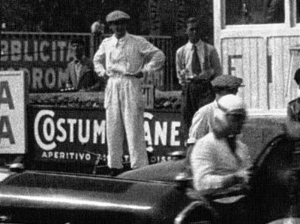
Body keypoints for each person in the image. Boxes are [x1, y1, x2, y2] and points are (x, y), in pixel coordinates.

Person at [93, 9, 163, 170]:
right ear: (110, 26)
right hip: (112, 84)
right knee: (113, 127)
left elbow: (158, 55)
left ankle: (139, 168)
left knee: (134, 128)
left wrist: (145, 70)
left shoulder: (137, 41)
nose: (118, 27)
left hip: (130, 83)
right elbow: (97, 60)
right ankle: (114, 167)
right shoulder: (106, 43)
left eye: (121, 23)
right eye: (115, 24)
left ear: (126, 25)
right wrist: (102, 73)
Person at [190, 95, 252, 201]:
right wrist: (234, 178)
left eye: (243, 118)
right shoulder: (205, 144)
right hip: (217, 203)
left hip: (241, 202)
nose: (240, 122)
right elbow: (201, 183)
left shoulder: (241, 147)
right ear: (221, 116)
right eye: (235, 117)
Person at [174, 18, 219, 135]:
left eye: (197, 29)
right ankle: (190, 142)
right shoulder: (181, 52)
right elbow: (179, 73)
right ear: (186, 31)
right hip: (189, 89)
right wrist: (184, 78)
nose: (194, 32)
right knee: (188, 121)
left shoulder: (210, 49)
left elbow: (217, 71)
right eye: (191, 29)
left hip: (205, 89)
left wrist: (209, 75)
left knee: (206, 119)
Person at [187, 74, 242, 144]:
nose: (235, 94)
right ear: (219, 91)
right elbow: (194, 143)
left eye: (236, 90)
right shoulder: (205, 112)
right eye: (231, 91)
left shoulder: (234, 111)